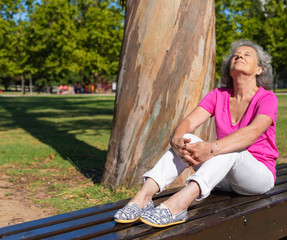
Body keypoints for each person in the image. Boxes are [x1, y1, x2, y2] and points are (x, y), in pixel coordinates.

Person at [114, 39, 278, 228]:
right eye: (235, 55)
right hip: (221, 176)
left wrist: (212, 148)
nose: (239, 56)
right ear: (229, 68)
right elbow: (190, 122)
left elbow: (254, 131)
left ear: (259, 69)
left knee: (230, 149)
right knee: (188, 139)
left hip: (257, 177)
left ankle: (179, 204)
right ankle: (143, 197)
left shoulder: (267, 98)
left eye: (247, 54)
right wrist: (176, 139)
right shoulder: (218, 95)